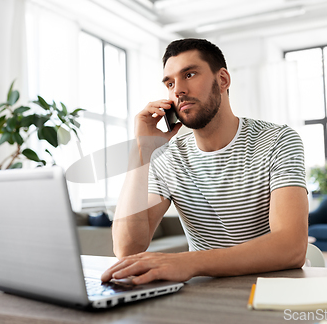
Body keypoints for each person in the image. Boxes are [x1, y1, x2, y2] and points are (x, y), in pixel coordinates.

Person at [101, 38, 308, 285]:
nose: (177, 90)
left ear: (222, 80)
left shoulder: (278, 140)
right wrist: (141, 152)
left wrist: (187, 262)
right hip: (205, 292)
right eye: (169, 83)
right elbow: (126, 249)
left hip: (272, 288)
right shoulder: (169, 156)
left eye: (189, 74)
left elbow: (291, 248)